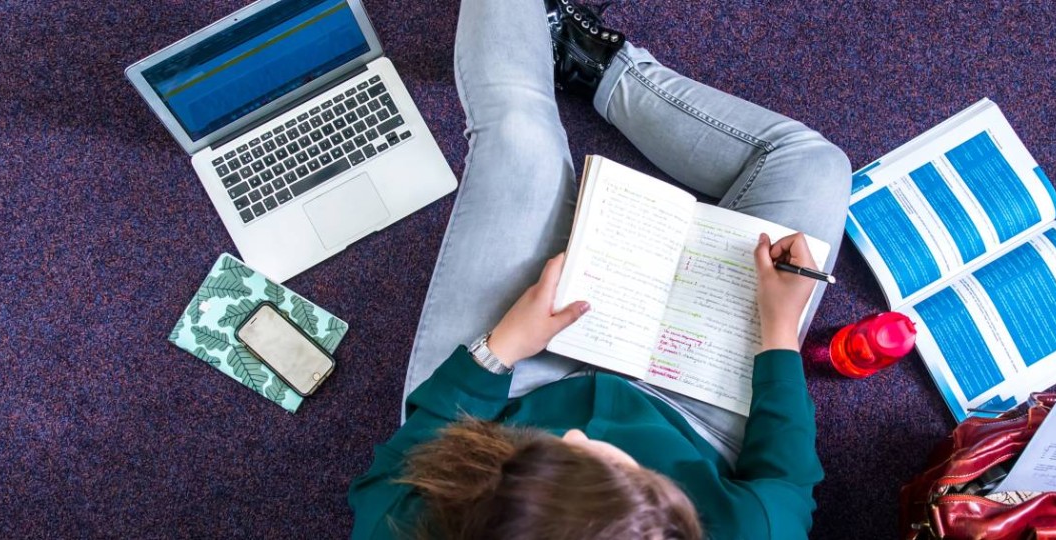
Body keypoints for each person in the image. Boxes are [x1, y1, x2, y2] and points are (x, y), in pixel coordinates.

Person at [349, 0, 850, 537]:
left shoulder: (407, 528)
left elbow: (390, 481)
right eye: (619, 468)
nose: (575, 436)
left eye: (557, 457)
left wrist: (498, 351)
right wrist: (777, 331)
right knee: (813, 167)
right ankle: (599, 65)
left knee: (522, 137)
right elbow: (788, 482)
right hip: (695, 425)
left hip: (500, 411)